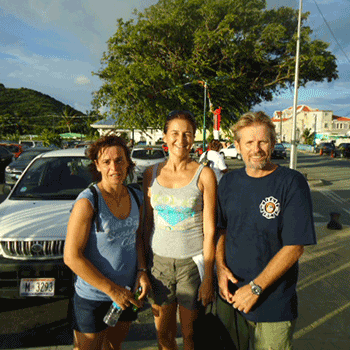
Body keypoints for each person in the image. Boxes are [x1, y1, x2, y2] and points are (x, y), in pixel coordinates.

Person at [215, 111, 316, 350]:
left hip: (273, 302)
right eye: (249, 142)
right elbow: (221, 230)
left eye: (262, 141)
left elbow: (295, 246)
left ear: (272, 143)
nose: (256, 148)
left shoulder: (292, 182)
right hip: (230, 296)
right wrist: (219, 268)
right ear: (237, 146)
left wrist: (255, 288)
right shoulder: (228, 183)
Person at [64, 135, 151, 350]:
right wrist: (112, 291)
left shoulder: (136, 196)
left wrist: (141, 271)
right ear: (97, 165)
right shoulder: (88, 202)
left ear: (128, 162)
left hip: (127, 292)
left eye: (119, 160)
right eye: (107, 162)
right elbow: (71, 256)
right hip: (92, 296)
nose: (114, 167)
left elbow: (137, 237)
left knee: (113, 346)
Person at [143, 110, 217, 350]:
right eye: (174, 133)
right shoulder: (150, 174)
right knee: (163, 335)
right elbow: (146, 225)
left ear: (194, 138)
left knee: (190, 335)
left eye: (187, 134)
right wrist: (142, 268)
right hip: (159, 266)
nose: (181, 139)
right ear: (164, 137)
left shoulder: (204, 174)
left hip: (191, 267)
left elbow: (210, 228)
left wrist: (208, 277)